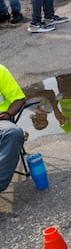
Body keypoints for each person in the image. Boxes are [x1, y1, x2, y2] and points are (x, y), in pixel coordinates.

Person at [0, 64, 26, 193]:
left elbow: (19, 99)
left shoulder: (0, 71)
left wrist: (9, 113)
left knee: (13, 133)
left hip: (1, 122)